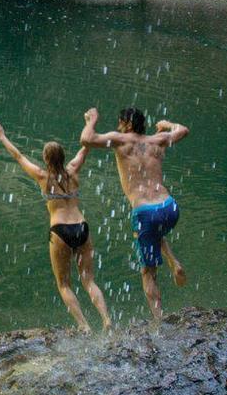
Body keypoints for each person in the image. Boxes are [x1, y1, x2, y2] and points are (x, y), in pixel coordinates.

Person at [0, 120, 112, 333]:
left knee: (64, 284)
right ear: (64, 157)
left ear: (46, 158)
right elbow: (87, 146)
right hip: (81, 226)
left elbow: (18, 156)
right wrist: (90, 123)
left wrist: (1, 136)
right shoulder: (73, 170)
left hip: (60, 231)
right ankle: (106, 319)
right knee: (89, 280)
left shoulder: (41, 176)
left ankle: (84, 326)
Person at [81, 106, 190, 320]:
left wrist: (91, 120)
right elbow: (183, 130)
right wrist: (166, 124)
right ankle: (173, 262)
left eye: (120, 121)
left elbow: (86, 139)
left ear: (128, 124)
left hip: (145, 212)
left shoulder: (120, 140)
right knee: (155, 231)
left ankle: (159, 322)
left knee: (148, 273)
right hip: (169, 207)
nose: (118, 125)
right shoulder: (157, 140)